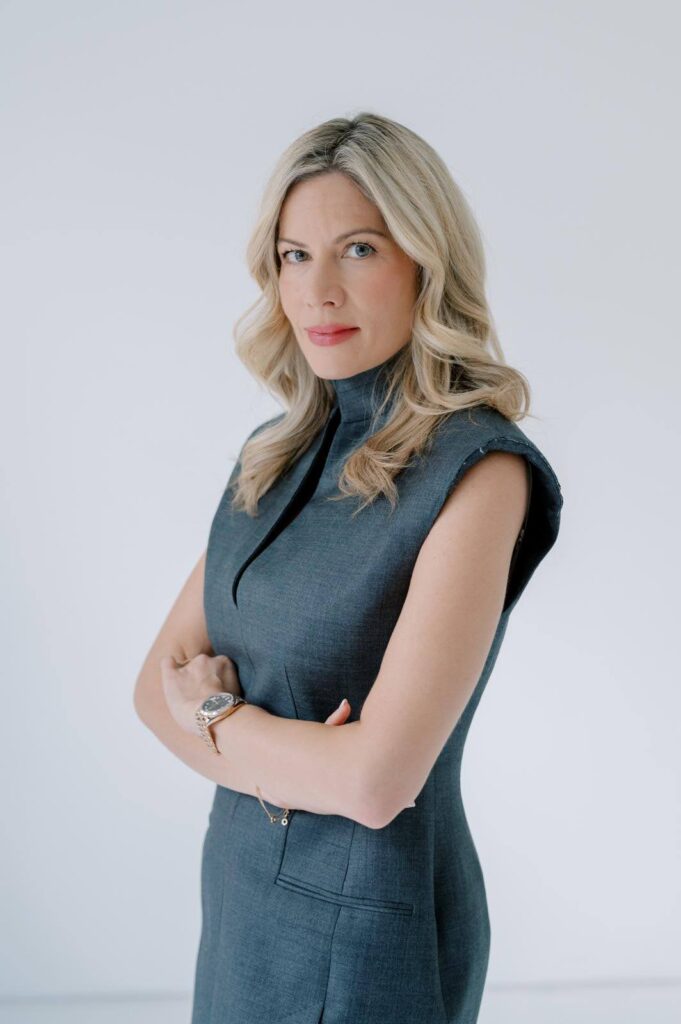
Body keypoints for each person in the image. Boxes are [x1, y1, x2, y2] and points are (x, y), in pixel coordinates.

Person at [134, 111, 564, 1024]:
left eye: (358, 249)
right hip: (241, 899)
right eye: (294, 256)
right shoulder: (272, 455)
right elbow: (149, 690)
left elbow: (372, 785)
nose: (318, 291)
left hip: (372, 926)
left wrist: (216, 715)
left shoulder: (478, 470)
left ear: (426, 262)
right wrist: (303, 754)